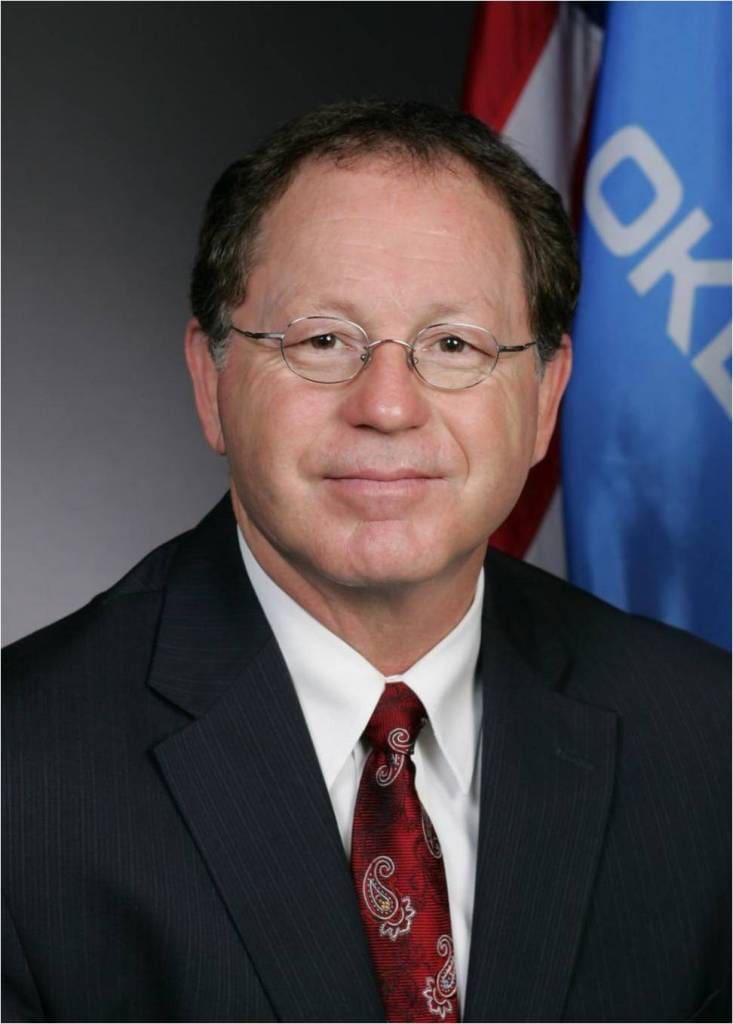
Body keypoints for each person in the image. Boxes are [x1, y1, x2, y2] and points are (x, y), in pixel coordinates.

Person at [3, 100, 729, 1024]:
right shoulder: (20, 777)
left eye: (454, 346)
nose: (387, 406)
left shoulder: (708, 744)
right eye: (321, 342)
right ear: (210, 380)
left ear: (545, 397)